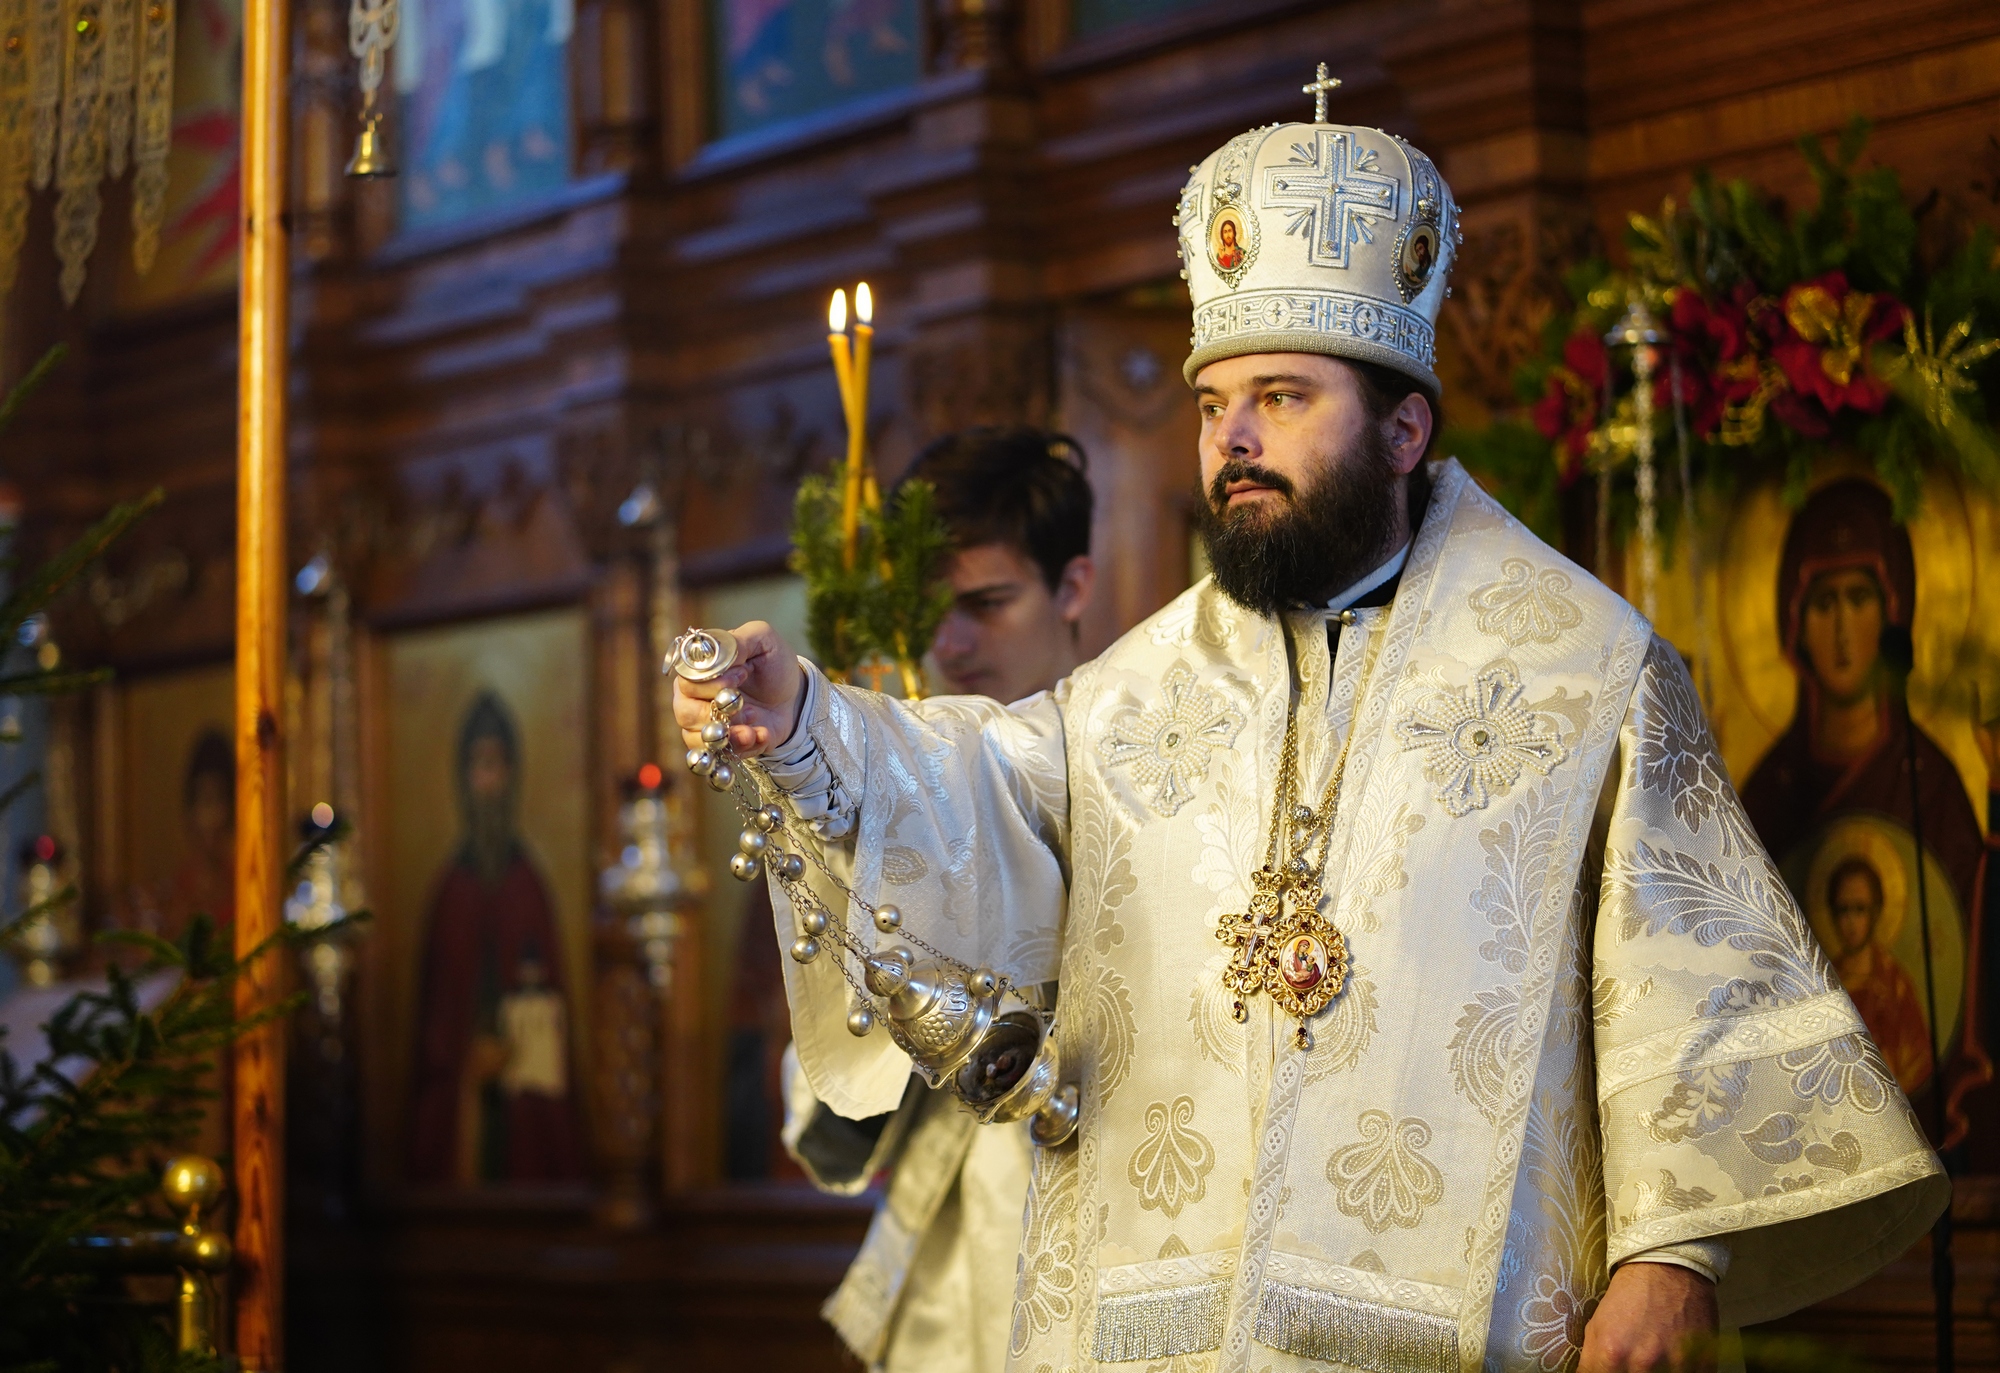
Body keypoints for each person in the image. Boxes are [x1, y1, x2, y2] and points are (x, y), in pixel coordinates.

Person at [680, 93, 1945, 1373]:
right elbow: (972, 790)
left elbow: (1693, 978)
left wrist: (1673, 1258)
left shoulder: (1580, 669)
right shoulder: (1136, 689)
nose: (1230, 437)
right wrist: (800, 721)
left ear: (1403, 430)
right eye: (1213, 401)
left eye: (1280, 397)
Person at [790, 427, 1096, 1373]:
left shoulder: (1140, 769)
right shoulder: (890, 791)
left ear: (1073, 588)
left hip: (1093, 1226)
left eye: (987, 602)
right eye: (931, 608)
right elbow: (839, 1130)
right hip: (940, 1279)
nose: (950, 641)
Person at [1740, 478, 1989, 1145]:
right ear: (1795, 621)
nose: (1844, 629)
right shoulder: (1763, 799)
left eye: (1860, 598)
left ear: (1893, 610)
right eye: (1824, 603)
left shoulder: (1930, 789)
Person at [408, 691, 585, 1185]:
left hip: (523, 1102)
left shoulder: (527, 885)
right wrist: (465, 1057)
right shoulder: (450, 890)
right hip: (461, 1102)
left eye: (497, 765)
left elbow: (548, 1007)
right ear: (462, 777)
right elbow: (435, 1015)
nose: (488, 781)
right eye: (477, 766)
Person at [1825, 855, 1932, 1092]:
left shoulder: (1894, 985)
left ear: (1875, 912)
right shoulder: (1824, 984)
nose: (1851, 922)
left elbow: (1919, 1059)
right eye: (1844, 910)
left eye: (1860, 910)